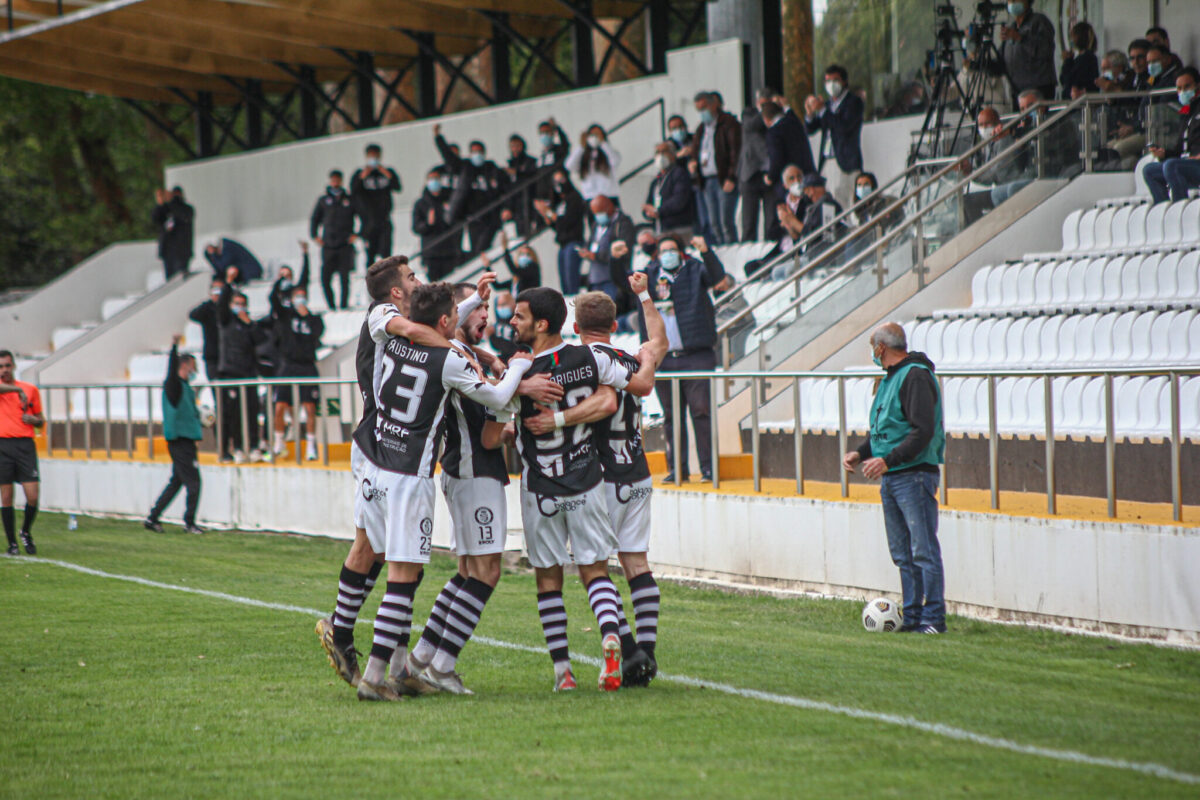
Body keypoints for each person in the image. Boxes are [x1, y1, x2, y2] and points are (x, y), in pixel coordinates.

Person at [315, 258, 501, 689]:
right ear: (395, 293)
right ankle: (350, 639)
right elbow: (424, 332)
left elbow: (432, 329)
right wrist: (462, 349)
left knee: (391, 558)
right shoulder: (384, 315)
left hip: (382, 445)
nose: (417, 280)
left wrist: (474, 316)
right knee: (383, 554)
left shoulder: (404, 323)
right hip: (383, 448)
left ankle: (390, 665)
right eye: (411, 277)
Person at [354, 282, 534, 701]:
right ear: (444, 321)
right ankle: (375, 677)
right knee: (402, 578)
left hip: (378, 464)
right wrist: (520, 368)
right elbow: (495, 395)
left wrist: (471, 314)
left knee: (410, 574)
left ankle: (402, 669)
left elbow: (424, 323)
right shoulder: (449, 360)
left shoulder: (388, 332)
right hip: (409, 477)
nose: (460, 317)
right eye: (455, 312)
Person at [504, 286, 659, 691]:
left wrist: (519, 395)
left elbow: (494, 414)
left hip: (539, 486)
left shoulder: (517, 370)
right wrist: (646, 357)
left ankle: (563, 674)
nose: (512, 323)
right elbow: (615, 397)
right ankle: (613, 636)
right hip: (588, 479)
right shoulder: (588, 357)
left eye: (518, 317)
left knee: (548, 579)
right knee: (596, 570)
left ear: (541, 323)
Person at [842, 322, 947, 634]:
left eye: (872, 348)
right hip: (895, 477)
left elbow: (922, 430)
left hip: (913, 476)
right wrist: (860, 453)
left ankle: (933, 618)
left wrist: (887, 461)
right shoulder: (891, 379)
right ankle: (913, 616)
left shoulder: (915, 376)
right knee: (903, 553)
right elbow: (887, 430)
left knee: (923, 550)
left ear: (881, 349)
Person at [642, 235, 726, 483]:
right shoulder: (649, 277)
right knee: (671, 416)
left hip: (696, 356)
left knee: (701, 412)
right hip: (664, 360)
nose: (668, 254)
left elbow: (717, 277)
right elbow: (621, 282)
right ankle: (677, 470)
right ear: (657, 255)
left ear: (681, 252)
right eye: (664, 250)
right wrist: (616, 261)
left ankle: (709, 469)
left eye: (673, 249)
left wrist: (706, 251)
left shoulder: (695, 269)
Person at [143, 337, 204, 535]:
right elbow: (170, 372)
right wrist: (174, 347)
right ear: (185, 365)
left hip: (185, 439)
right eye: (192, 366)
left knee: (177, 481)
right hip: (180, 441)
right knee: (194, 482)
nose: (194, 371)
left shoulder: (185, 388)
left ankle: (153, 517)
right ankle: (189, 523)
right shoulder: (174, 386)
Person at [270, 259, 323, 461]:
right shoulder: (285, 315)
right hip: (288, 365)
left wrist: (307, 316)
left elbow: (318, 334)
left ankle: (310, 444)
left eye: (303, 296)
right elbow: (273, 300)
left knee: (309, 407)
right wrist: (279, 281)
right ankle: (279, 441)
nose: (300, 299)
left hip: (307, 365)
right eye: (297, 297)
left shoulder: (314, 318)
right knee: (279, 405)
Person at [435, 127, 511, 258]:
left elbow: (505, 188)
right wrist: (438, 137)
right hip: (472, 218)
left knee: (483, 249)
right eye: (474, 152)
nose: (477, 155)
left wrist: (507, 208)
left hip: (489, 217)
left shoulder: (491, 168)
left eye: (479, 152)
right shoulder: (466, 168)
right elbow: (450, 157)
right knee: (475, 251)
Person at [216, 269, 267, 462]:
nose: (240, 308)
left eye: (243, 305)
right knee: (234, 414)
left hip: (249, 373)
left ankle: (253, 446)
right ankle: (237, 447)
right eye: (237, 304)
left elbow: (261, 340)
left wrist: (249, 324)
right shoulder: (226, 321)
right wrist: (228, 283)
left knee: (252, 411)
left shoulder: (249, 325)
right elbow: (220, 305)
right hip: (230, 373)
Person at [0, 350, 43, 555]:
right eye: (0, 367)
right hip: (3, 445)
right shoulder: (12, 390)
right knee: (6, 496)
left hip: (25, 445)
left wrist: (34, 420)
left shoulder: (30, 390)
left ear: (14, 366)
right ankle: (12, 543)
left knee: (32, 495)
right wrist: (16, 391)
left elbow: (41, 419)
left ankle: (25, 530)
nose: (4, 370)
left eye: (7, 366)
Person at [805, 65, 864, 207]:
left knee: (845, 202)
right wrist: (810, 114)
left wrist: (823, 110)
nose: (831, 84)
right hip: (827, 161)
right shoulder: (827, 105)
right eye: (828, 81)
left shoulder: (854, 102)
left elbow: (843, 126)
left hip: (845, 163)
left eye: (835, 80)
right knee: (827, 203)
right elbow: (811, 129)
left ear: (844, 81)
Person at [770, 174, 846, 281]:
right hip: (809, 255)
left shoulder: (828, 205)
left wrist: (792, 220)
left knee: (788, 271)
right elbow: (799, 237)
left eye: (806, 191)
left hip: (821, 258)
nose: (806, 195)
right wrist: (788, 222)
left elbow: (820, 236)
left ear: (812, 190)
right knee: (776, 271)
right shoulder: (814, 207)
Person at [1143, 68, 1200, 204]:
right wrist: (1164, 153)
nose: (1183, 92)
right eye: (1179, 88)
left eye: (1187, 86)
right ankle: (1164, 209)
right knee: (1149, 170)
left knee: (1171, 166)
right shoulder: (1187, 113)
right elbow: (1180, 149)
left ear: (1198, 85)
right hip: (1186, 163)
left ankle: (1179, 207)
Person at [692, 91, 742, 244]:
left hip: (723, 178)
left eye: (704, 108)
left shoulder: (728, 124)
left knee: (725, 221)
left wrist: (731, 177)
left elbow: (736, 152)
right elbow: (696, 150)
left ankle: (732, 249)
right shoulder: (701, 128)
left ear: (713, 104)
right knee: (713, 223)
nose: (702, 113)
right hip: (707, 180)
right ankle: (721, 253)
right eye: (699, 110)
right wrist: (693, 161)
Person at [309, 170, 360, 311]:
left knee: (345, 277)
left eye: (338, 180)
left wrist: (357, 234)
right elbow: (315, 218)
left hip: (345, 244)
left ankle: (343, 305)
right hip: (328, 245)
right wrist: (315, 235)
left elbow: (362, 217)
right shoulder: (323, 200)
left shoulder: (349, 200)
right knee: (325, 278)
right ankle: (331, 305)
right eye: (333, 180)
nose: (335, 182)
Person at [534, 169, 587, 295]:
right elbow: (559, 226)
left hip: (574, 243)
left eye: (561, 179)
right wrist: (548, 217)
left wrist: (549, 212)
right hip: (563, 245)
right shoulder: (560, 202)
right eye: (556, 181)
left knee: (571, 281)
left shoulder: (575, 197)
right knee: (564, 283)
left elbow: (569, 220)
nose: (559, 184)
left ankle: (575, 308)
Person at [577, 195, 635, 306]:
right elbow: (590, 243)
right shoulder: (596, 225)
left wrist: (597, 256)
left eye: (599, 212)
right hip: (595, 279)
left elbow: (624, 251)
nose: (597, 216)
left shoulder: (622, 223)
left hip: (612, 279)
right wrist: (585, 252)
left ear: (609, 208)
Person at [998, 1, 1056, 109]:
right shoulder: (1012, 27)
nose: (1013, 3)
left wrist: (1020, 38)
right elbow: (1001, 60)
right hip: (1017, 90)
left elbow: (1045, 50)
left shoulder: (1039, 21)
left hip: (1039, 88)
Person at [350, 143, 401, 267]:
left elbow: (397, 187)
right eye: (371, 156)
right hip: (368, 222)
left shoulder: (387, 172)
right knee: (370, 255)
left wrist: (386, 173)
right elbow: (353, 191)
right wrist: (362, 176)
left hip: (384, 220)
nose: (374, 158)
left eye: (376, 156)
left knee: (386, 254)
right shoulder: (359, 173)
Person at [412, 168, 460, 281]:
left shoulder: (449, 200)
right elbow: (416, 227)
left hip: (449, 252)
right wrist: (428, 224)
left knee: (450, 284)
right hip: (431, 254)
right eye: (431, 179)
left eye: (436, 179)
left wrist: (450, 216)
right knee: (434, 286)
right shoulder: (421, 203)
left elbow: (457, 222)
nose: (434, 182)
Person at [738, 89, 774, 241]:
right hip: (750, 171)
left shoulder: (777, 114)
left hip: (770, 169)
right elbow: (750, 126)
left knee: (771, 217)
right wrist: (765, 111)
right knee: (748, 220)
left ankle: (771, 245)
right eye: (762, 102)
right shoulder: (749, 113)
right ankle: (747, 249)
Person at [761, 100, 815, 198]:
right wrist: (786, 105)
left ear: (766, 120)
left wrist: (770, 177)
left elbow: (776, 159)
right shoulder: (794, 121)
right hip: (807, 174)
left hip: (789, 180)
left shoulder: (773, 133)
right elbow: (790, 113)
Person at [642, 142, 695, 238]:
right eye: (657, 152)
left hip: (679, 229)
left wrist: (658, 211)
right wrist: (647, 212)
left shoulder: (679, 174)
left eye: (664, 152)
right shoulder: (656, 181)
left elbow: (679, 200)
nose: (660, 156)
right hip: (661, 229)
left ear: (673, 155)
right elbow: (649, 203)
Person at [565, 124, 621, 203]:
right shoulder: (584, 155)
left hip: (609, 196)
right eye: (592, 135)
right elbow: (569, 165)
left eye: (597, 135)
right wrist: (581, 146)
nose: (594, 138)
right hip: (590, 196)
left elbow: (615, 161)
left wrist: (603, 143)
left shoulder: (609, 151)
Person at [152, 186, 195, 281]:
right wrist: (160, 203)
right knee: (170, 281)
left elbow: (183, 215)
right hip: (167, 250)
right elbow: (155, 218)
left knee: (180, 278)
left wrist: (173, 201)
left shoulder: (186, 209)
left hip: (181, 250)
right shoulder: (165, 208)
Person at [481, 229, 541, 296]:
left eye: (527, 254)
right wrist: (487, 268)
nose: (524, 257)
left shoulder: (533, 269)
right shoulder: (515, 282)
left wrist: (505, 250)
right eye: (521, 254)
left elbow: (515, 270)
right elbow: (497, 286)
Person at [188, 278, 225, 383]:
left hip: (228, 357)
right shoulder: (208, 309)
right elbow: (193, 315)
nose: (218, 292)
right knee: (215, 386)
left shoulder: (229, 308)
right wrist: (211, 301)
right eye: (215, 289)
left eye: (220, 290)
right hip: (212, 356)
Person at [506, 134, 539, 237]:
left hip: (528, 202)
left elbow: (532, 176)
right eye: (512, 146)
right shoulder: (511, 163)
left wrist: (517, 173)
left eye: (517, 146)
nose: (515, 149)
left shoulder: (531, 161)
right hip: (516, 206)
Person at [533, 118, 571, 201]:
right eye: (542, 133)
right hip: (542, 196)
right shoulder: (540, 156)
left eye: (547, 132)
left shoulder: (557, 150)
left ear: (552, 133)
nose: (544, 135)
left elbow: (566, 145)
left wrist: (557, 128)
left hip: (556, 195)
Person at [1060, 21, 1099, 100]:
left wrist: (1067, 61)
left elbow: (1068, 79)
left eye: (1073, 37)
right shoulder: (1081, 58)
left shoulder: (1086, 58)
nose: (1071, 40)